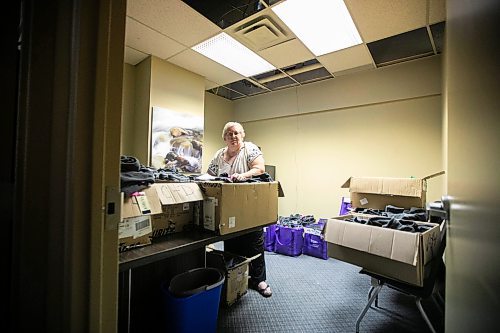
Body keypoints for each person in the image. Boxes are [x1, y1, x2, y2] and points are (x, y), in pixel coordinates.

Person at [207, 121, 272, 298]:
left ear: (242, 135)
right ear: (224, 137)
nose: (233, 136)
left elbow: (260, 169)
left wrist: (243, 176)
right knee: (232, 244)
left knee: (254, 243)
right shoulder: (219, 155)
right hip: (229, 208)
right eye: (229, 133)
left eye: (236, 133)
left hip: (249, 205)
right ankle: (236, 279)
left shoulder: (249, 149)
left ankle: (259, 280)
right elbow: (210, 176)